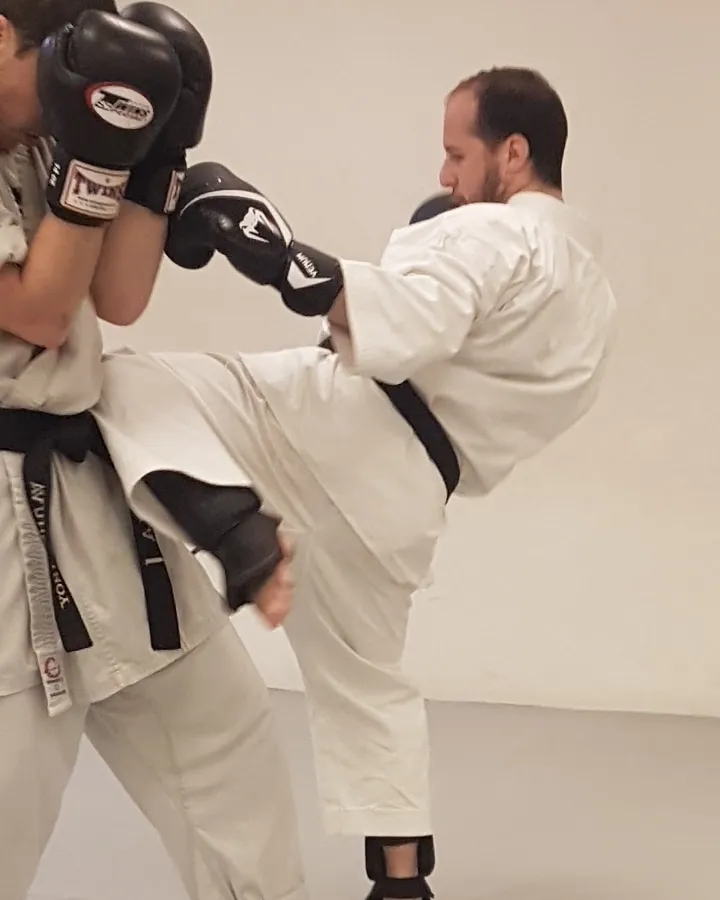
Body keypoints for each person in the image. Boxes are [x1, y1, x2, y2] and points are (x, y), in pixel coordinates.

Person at [90, 66, 619, 899]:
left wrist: (269, 249)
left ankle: (237, 531)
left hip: (337, 418)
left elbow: (407, 325)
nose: (445, 176)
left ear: (514, 152)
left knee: (119, 380)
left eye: (457, 154)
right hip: (408, 502)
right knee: (369, 687)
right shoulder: (595, 302)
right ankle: (402, 884)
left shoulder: (497, 234)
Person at [0, 3, 306, 899]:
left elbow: (120, 298)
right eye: (54, 72)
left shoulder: (39, 141)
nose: (63, 102)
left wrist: (155, 152)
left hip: (85, 496)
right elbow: (41, 313)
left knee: (228, 754)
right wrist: (99, 158)